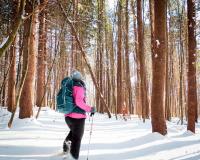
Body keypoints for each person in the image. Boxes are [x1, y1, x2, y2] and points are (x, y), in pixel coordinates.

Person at [63, 70, 96, 160]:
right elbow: (79, 102)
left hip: (68, 117)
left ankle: (66, 147)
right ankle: (73, 157)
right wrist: (90, 109)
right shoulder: (79, 86)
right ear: (80, 79)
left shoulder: (69, 86)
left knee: (73, 133)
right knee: (77, 139)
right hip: (78, 117)